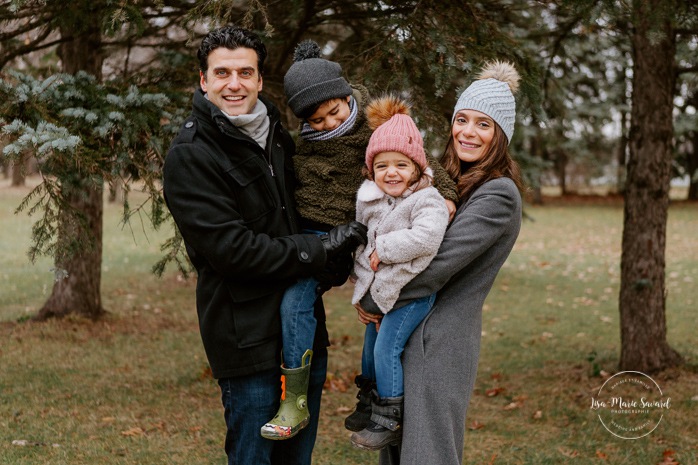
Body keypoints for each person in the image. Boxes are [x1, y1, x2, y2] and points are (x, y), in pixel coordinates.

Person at [162, 25, 367, 465]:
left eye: (244, 72)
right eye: (221, 73)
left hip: (305, 334)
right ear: (204, 80)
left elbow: (307, 214)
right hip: (247, 339)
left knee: (298, 458)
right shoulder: (191, 153)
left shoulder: (279, 134)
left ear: (258, 79)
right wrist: (318, 252)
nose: (233, 83)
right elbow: (232, 250)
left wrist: (333, 261)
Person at [260, 40, 458, 440]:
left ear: (346, 93)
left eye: (335, 111)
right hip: (324, 238)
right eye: (316, 120)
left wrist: (448, 197)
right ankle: (294, 397)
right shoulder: (303, 154)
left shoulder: (381, 127)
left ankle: (377, 401)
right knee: (295, 298)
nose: (330, 124)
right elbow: (299, 200)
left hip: (377, 236)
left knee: (379, 326)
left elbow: (423, 163)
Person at [355, 61, 525, 465]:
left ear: (500, 136)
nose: (467, 131)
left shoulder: (498, 195)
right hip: (408, 329)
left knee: (427, 452)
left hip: (440, 341)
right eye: (462, 119)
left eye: (483, 125)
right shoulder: (442, 182)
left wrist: (374, 298)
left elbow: (439, 264)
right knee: (396, 450)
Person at [347, 95, 450, 451]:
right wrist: (364, 290)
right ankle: (369, 400)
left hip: (411, 292)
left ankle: (389, 416)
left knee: (387, 348)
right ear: (371, 170)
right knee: (370, 348)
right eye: (382, 166)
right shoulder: (371, 200)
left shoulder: (427, 200)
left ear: (418, 168)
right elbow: (362, 248)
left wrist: (385, 249)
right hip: (381, 292)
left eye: (401, 165)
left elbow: (426, 237)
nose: (391, 172)